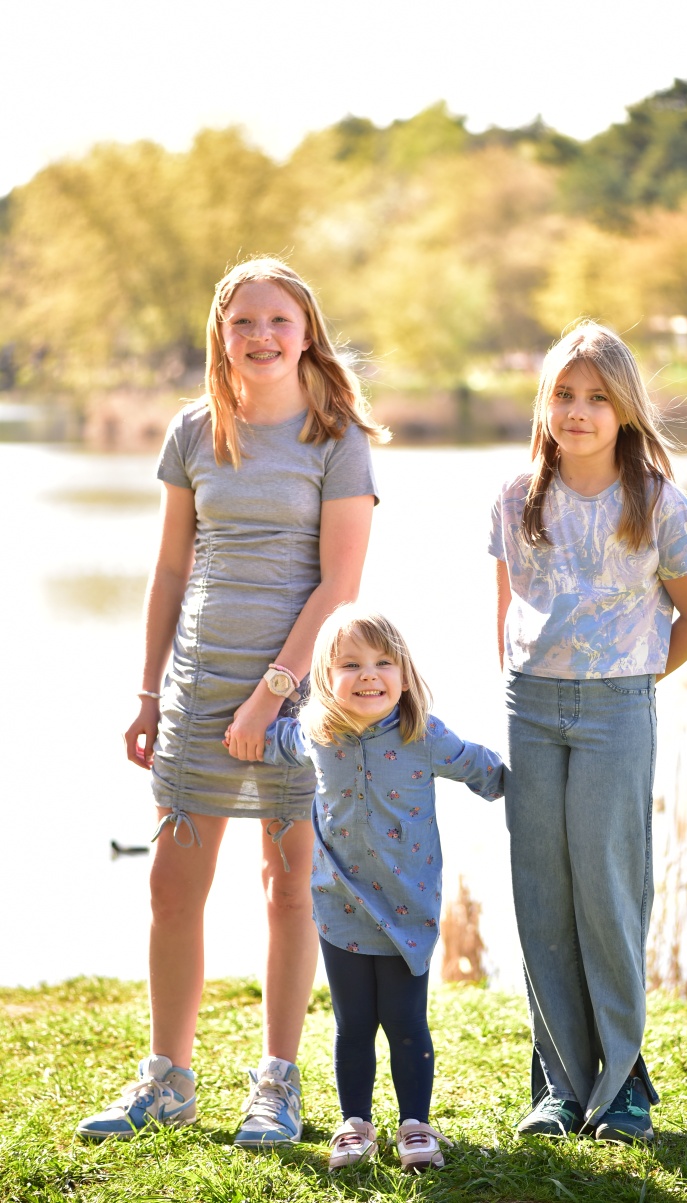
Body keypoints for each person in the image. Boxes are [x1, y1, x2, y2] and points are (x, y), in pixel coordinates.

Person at [77, 257, 386, 1144]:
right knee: (171, 889)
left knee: (288, 888)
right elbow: (170, 570)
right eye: (242, 321)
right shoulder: (192, 429)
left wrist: (272, 697)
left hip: (297, 701)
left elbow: (339, 586)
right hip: (197, 690)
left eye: (277, 320)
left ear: (306, 332)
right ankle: (167, 1081)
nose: (260, 336)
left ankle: (277, 1084)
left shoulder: (337, 438)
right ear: (220, 332)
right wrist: (148, 692)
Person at [490, 321, 687, 1145]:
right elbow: (506, 609)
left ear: (623, 408)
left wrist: (631, 682)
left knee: (607, 893)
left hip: (615, 710)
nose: (577, 411)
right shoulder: (515, 498)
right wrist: (520, 683)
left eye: (595, 397)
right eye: (563, 394)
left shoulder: (655, 502)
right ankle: (558, 1084)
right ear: (544, 402)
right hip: (529, 707)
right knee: (541, 893)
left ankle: (621, 1086)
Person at [260, 605, 505, 1171]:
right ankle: (355, 1126)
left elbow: (480, 767)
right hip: (339, 904)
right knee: (353, 1025)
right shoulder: (317, 734)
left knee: (404, 1022)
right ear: (325, 677)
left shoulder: (423, 735)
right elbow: (274, 741)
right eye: (350, 664)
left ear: (405, 674)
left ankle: (415, 1125)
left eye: (383, 662)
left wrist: (534, 784)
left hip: (405, 907)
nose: (368, 675)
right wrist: (241, 729)